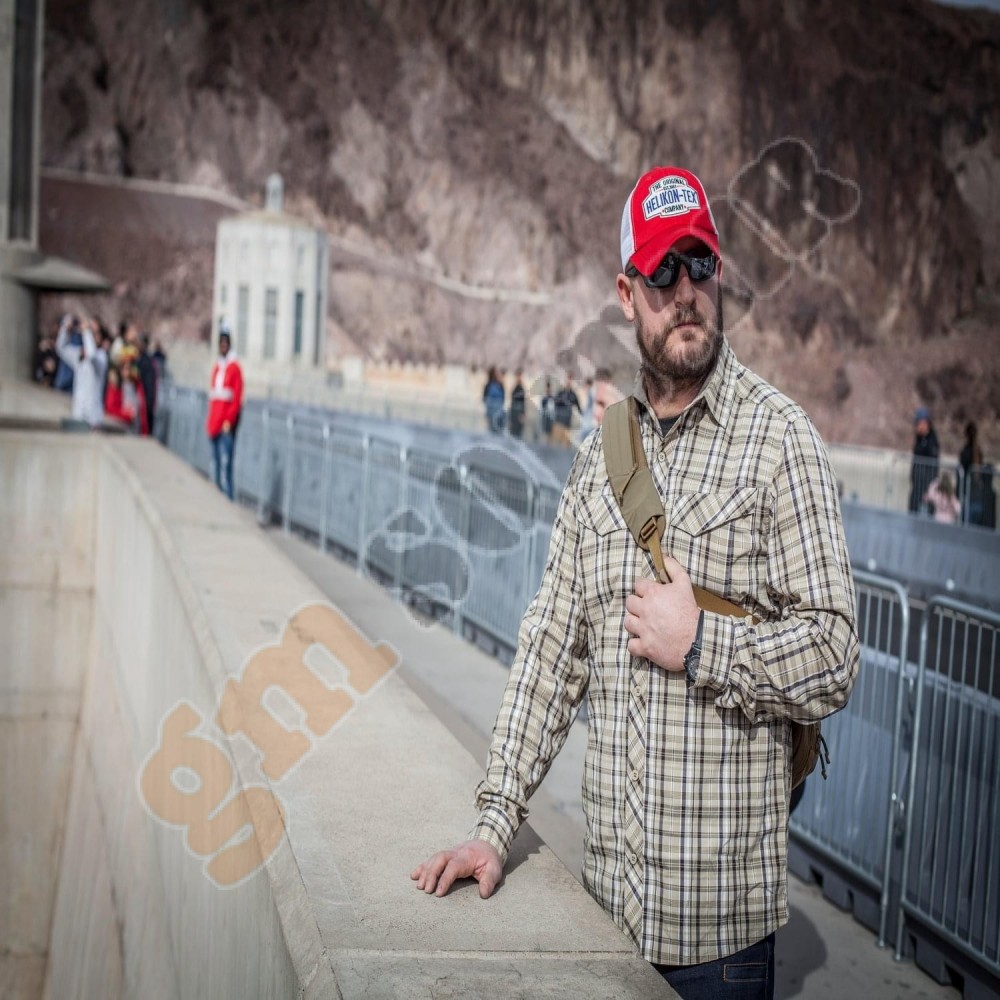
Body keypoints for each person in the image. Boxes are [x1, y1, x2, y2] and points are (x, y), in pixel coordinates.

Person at [412, 165, 860, 1000]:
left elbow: (834, 654)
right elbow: (552, 652)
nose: (685, 290)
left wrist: (702, 644)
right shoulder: (600, 459)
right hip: (605, 921)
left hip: (723, 947)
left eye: (700, 264)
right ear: (627, 294)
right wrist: (493, 823)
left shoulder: (780, 442)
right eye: (662, 271)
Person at [206, 329, 243, 500]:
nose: (223, 346)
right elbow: (214, 396)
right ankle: (217, 498)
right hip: (215, 422)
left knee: (225, 464)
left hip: (226, 424)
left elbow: (236, 397)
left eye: (225, 344)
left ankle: (227, 499)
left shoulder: (234, 368)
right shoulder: (217, 367)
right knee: (215, 463)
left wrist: (229, 419)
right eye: (221, 344)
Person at [55, 315, 108, 428]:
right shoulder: (79, 354)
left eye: (95, 332)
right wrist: (65, 329)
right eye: (91, 332)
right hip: (78, 414)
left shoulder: (101, 357)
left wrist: (86, 332)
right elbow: (61, 348)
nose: (92, 335)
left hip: (94, 419)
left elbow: (91, 355)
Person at [908, 406, 939, 515]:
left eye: (919, 423)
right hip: (917, 484)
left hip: (926, 486)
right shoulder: (919, 439)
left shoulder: (931, 440)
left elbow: (932, 464)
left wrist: (929, 489)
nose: (917, 426)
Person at [959, 420, 985, 525]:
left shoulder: (966, 452)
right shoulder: (978, 451)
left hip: (969, 495)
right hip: (977, 496)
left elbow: (961, 472)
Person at [551, 372, 581, 446]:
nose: (569, 381)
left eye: (571, 379)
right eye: (568, 379)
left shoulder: (573, 395)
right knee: (555, 444)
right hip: (558, 422)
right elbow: (555, 403)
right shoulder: (560, 393)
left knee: (565, 445)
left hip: (567, 423)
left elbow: (579, 408)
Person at [482, 366, 506, 434]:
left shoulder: (500, 385)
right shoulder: (489, 385)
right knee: (491, 427)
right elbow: (484, 398)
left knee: (497, 426)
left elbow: (503, 398)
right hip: (491, 410)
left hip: (498, 411)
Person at [508, 369, 527, 439]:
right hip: (514, 412)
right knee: (513, 431)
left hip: (519, 412)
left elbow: (523, 402)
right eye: (518, 376)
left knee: (519, 432)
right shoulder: (515, 388)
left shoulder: (522, 388)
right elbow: (512, 401)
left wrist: (523, 413)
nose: (519, 377)